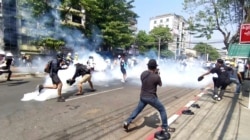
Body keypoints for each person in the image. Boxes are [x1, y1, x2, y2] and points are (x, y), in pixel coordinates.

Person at [123, 59, 175, 136]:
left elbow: (146, 81)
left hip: (143, 96)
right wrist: (157, 74)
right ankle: (165, 127)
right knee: (162, 109)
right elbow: (160, 84)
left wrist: (154, 73)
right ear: (155, 67)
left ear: (148, 66)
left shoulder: (143, 73)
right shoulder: (156, 77)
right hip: (151, 97)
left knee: (137, 110)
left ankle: (127, 121)